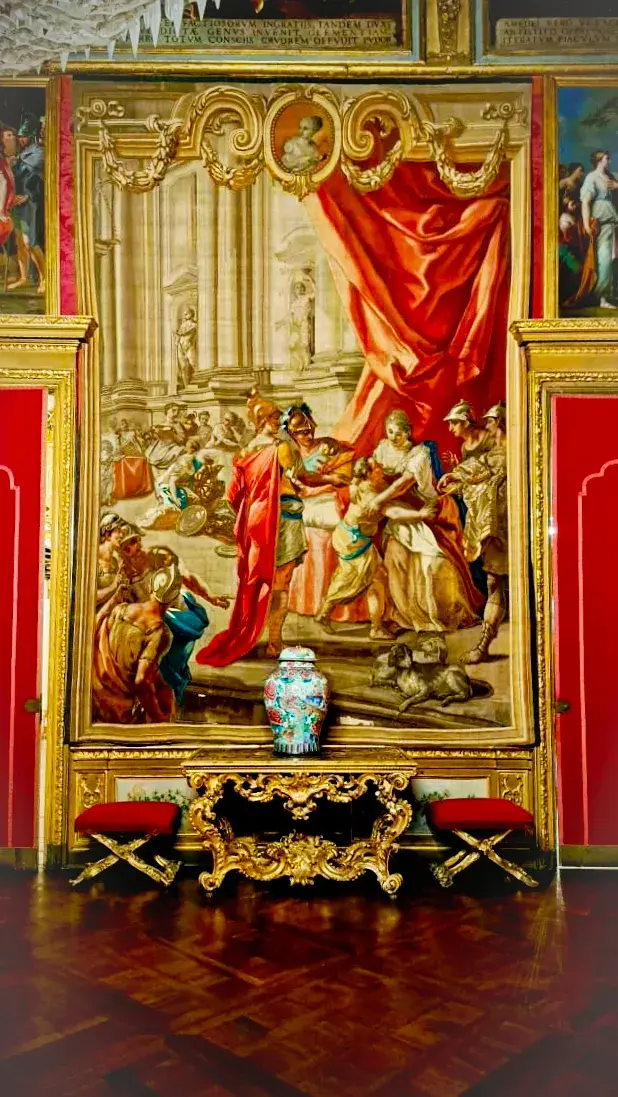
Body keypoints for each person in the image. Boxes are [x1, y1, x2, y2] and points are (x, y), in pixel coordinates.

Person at [195, 391, 347, 665]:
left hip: (255, 521)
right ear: (262, 420)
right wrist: (332, 479)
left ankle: (253, 631)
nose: (278, 421)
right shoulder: (281, 448)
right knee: (281, 582)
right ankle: (275, 640)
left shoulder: (243, 453)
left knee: (257, 579)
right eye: (274, 417)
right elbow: (304, 478)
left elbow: (233, 496)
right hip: (282, 519)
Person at [368, 409, 481, 634]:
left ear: (408, 432)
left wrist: (379, 500)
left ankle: (436, 613)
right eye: (390, 432)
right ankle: (403, 614)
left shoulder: (419, 455)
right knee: (394, 554)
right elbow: (374, 472)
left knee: (433, 562)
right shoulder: (382, 449)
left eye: (398, 433)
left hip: (431, 512)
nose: (393, 437)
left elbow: (402, 484)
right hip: (402, 514)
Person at [438, 400, 508, 664]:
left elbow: (486, 469)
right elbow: (481, 470)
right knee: (493, 582)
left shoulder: (508, 451)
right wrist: (457, 478)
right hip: (493, 524)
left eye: (490, 422)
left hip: (506, 523)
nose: (486, 426)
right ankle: (484, 645)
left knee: (498, 582)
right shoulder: (493, 451)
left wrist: (458, 477)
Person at [316, 458, 392, 640]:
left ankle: (326, 613)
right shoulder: (371, 497)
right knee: (362, 580)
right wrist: (420, 513)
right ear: (368, 473)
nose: (380, 467)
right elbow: (393, 510)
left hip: (347, 536)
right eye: (376, 467)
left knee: (363, 576)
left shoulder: (360, 485)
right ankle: (375, 628)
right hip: (354, 542)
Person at [92, 565, 178, 724]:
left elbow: (96, 627)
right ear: (173, 600)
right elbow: (141, 681)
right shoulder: (159, 633)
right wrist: (159, 717)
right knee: (165, 699)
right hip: (117, 709)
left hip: (94, 693)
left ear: (150, 588)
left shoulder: (121, 609)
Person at [580, 150, 618, 308]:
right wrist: (586, 224)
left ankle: (606, 294)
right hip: (600, 223)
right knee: (604, 259)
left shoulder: (610, 176)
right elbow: (585, 202)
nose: (609, 161)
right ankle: (602, 297)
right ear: (599, 160)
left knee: (611, 258)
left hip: (611, 223)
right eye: (607, 158)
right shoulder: (592, 177)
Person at [174, 306, 197, 388]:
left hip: (189, 346)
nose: (184, 316)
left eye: (186, 314)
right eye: (184, 314)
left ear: (191, 314)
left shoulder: (194, 325)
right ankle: (186, 386)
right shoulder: (183, 325)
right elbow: (179, 335)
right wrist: (177, 342)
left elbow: (186, 332)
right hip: (181, 347)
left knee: (193, 365)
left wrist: (178, 333)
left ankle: (195, 385)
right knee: (183, 367)